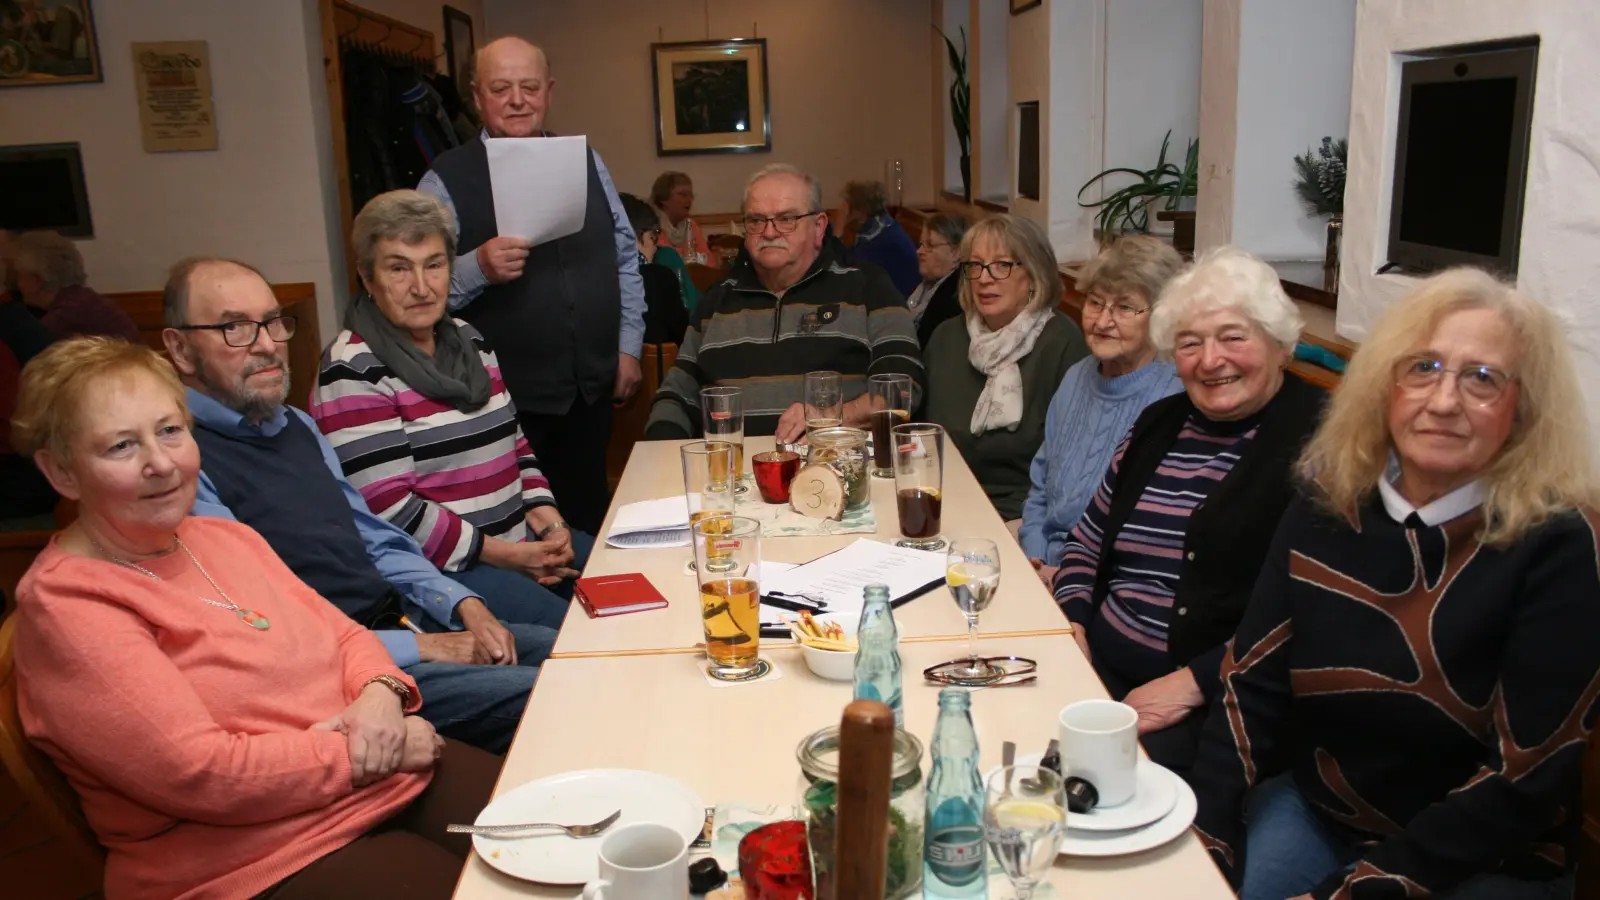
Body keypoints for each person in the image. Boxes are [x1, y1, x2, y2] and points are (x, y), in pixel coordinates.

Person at [9, 337, 503, 899]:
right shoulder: (69, 609)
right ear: (62, 473)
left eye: (170, 430)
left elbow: (343, 634)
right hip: (255, 857)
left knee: (567, 846)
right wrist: (362, 756)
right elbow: (202, 774)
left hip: (379, 775)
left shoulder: (222, 537)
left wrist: (380, 695)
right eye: (121, 446)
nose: (161, 462)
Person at [1191, 269, 1599, 900]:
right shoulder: (1325, 501)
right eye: (1423, 368)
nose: (1443, 401)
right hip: (1321, 813)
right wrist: (1206, 832)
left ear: (1523, 410)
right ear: (1385, 386)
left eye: (1482, 379)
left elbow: (1524, 776)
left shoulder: (1562, 541)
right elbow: (1251, 683)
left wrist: (1353, 893)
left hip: (1485, 856)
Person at [162, 257, 553, 754]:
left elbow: (375, 538)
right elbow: (264, 629)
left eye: (273, 321)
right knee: (555, 698)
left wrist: (460, 603)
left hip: (402, 620)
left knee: (578, 655)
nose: (266, 344)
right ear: (180, 348)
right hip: (345, 673)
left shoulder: (297, 427)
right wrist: (424, 648)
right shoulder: (181, 461)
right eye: (234, 327)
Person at [1050, 246, 1325, 779]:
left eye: (1233, 337)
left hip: (1220, 703)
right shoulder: (1160, 422)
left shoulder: (1320, 441)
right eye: (1190, 343)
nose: (1209, 360)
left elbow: (1313, 613)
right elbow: (1087, 540)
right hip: (1097, 668)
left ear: (1281, 345)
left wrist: (1195, 681)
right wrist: (1072, 622)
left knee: (1088, 796)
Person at [313, 190, 591, 617]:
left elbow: (516, 447)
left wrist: (550, 523)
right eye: (398, 269)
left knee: (637, 581)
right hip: (449, 574)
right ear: (367, 279)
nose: (421, 288)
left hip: (521, 546)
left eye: (434, 265)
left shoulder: (469, 339)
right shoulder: (351, 368)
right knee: (574, 640)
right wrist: (506, 555)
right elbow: (389, 508)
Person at [418, 37, 646, 534]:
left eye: (529, 87)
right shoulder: (445, 178)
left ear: (549, 91)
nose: (517, 100)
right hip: (498, 401)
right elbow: (417, 289)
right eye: (501, 88)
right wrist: (477, 265)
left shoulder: (587, 159)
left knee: (588, 520)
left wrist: (629, 347)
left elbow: (625, 255)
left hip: (591, 392)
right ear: (478, 97)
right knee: (522, 533)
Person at [643, 164, 925, 440]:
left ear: (818, 227)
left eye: (786, 219)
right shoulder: (717, 301)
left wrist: (830, 417)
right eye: (756, 220)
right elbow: (677, 393)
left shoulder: (869, 287)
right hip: (734, 475)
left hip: (835, 470)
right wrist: (660, 454)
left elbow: (903, 387)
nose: (769, 232)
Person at [1019, 236, 1185, 571]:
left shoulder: (1174, 400)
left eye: (1125, 307)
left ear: (1162, 317)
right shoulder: (1076, 377)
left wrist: (1067, 579)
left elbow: (1143, 539)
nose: (1103, 321)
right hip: (1042, 565)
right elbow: (1040, 488)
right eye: (1096, 302)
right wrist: (1035, 557)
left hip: (1105, 581)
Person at [922, 214, 1088, 520]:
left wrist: (1028, 528)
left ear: (1035, 274)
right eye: (975, 265)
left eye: (1002, 265)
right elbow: (921, 438)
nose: (985, 278)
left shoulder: (1062, 343)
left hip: (1021, 517)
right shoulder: (947, 338)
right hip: (942, 504)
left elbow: (1071, 469)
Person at [5, 230, 140, 342]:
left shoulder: (64, 316)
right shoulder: (82, 300)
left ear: (36, 281)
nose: (18, 285)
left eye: (19, 276)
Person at [618, 192, 690, 344]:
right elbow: (682, 337)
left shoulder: (590, 280)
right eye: (653, 237)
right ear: (635, 235)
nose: (655, 248)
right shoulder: (660, 278)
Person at [840, 180, 920, 297]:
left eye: (847, 210)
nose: (843, 214)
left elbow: (845, 273)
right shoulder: (880, 229)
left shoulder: (885, 241)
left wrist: (837, 233)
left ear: (861, 213)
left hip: (899, 308)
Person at [909, 212, 967, 347]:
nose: (919, 251)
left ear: (956, 253)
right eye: (921, 244)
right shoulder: (926, 284)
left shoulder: (953, 299)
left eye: (930, 245)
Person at [650, 170, 710, 264]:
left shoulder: (691, 225)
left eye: (691, 195)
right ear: (663, 198)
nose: (689, 200)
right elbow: (667, 259)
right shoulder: (652, 226)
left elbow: (709, 260)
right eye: (683, 195)